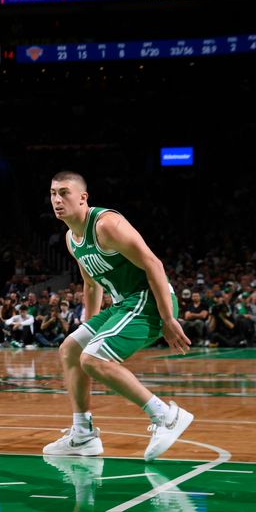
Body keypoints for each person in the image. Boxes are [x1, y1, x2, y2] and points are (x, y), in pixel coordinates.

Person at [44, 171, 193, 462]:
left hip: (149, 300)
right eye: (52, 193)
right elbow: (90, 284)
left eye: (64, 193)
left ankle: (167, 417)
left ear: (83, 197)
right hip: (124, 304)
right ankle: (83, 434)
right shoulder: (71, 239)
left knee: (93, 359)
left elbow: (153, 263)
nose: (57, 199)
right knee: (71, 349)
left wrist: (168, 317)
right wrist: (89, 323)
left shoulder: (106, 225)